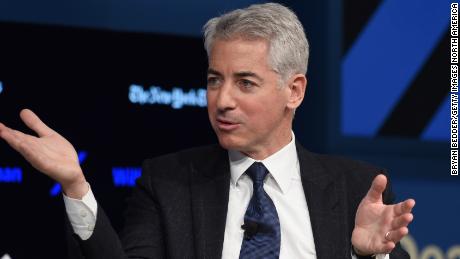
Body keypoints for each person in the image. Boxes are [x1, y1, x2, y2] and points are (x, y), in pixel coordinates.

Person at [0, 3, 414, 259]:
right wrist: (75, 186)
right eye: (215, 80)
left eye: (245, 83)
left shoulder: (356, 188)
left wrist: (364, 257)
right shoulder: (168, 183)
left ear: (295, 90)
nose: (222, 100)